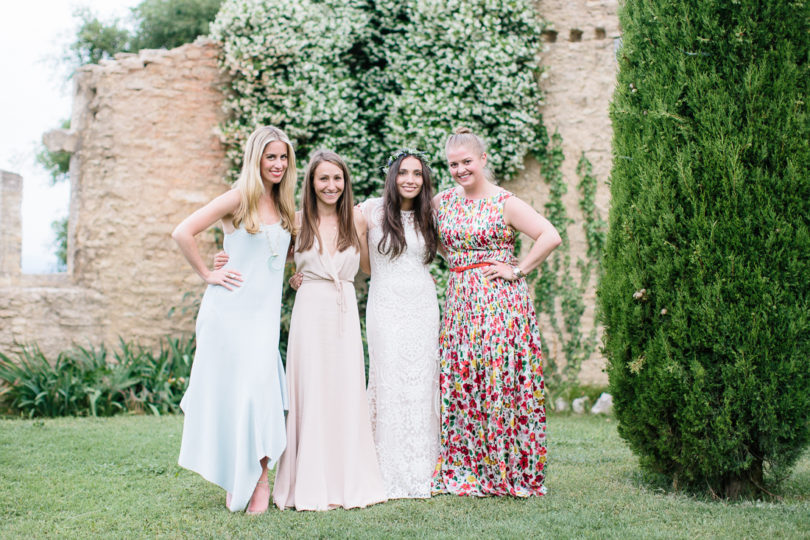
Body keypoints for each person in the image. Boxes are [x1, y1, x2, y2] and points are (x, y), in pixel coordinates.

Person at [432, 127, 562, 497]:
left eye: (467, 162)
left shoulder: (505, 202)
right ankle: (467, 465)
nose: (460, 170)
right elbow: (438, 241)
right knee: (464, 380)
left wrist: (516, 269)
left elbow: (550, 235)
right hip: (460, 306)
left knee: (498, 380)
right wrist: (460, 264)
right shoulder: (443, 201)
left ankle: (507, 467)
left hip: (501, 307)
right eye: (453, 164)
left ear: (483, 160)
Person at [172, 125, 297, 514]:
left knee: (257, 396)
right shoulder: (238, 197)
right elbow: (183, 232)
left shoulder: (286, 205)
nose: (277, 164)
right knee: (234, 397)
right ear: (256, 158)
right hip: (228, 314)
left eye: (283, 157)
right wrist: (209, 274)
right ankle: (246, 477)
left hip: (261, 321)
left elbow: (278, 254)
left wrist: (299, 271)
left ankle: (255, 478)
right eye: (270, 156)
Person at [272, 149, 387, 511]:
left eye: (337, 178)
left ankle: (346, 480)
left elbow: (371, 266)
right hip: (310, 312)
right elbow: (270, 257)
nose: (331, 185)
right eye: (323, 178)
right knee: (311, 390)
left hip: (344, 312)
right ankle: (306, 481)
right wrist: (293, 279)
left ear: (346, 182)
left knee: (344, 388)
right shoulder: (295, 220)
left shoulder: (359, 220)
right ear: (311, 182)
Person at [360, 150, 441, 498]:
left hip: (423, 305)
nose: (410, 179)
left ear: (424, 180)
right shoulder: (369, 210)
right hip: (385, 304)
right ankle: (382, 470)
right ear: (391, 176)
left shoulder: (431, 214)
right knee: (388, 378)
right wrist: (301, 268)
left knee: (423, 382)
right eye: (403, 172)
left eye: (417, 174)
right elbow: (328, 231)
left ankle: (426, 468)